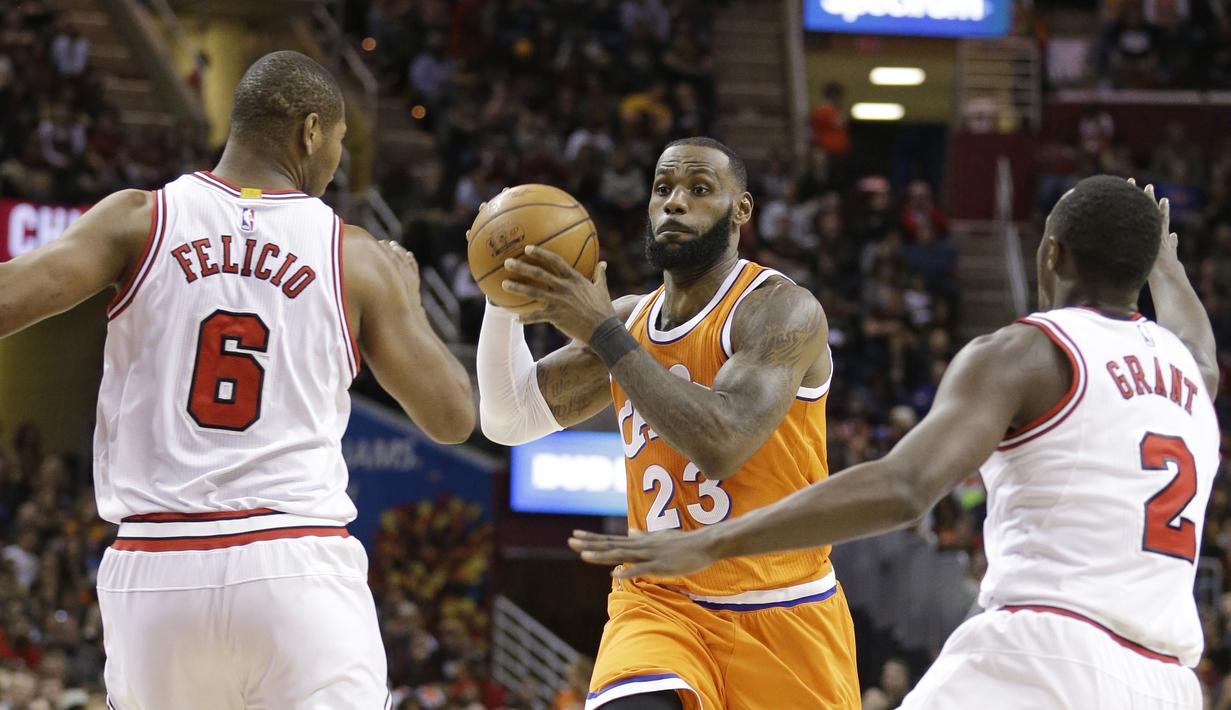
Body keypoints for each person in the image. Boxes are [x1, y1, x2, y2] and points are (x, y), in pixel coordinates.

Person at [571, 176, 1218, 709]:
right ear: (1142, 268)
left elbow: (904, 489)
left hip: (1044, 657)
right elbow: (1197, 339)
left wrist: (712, 540)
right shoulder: (1188, 372)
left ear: (1051, 254)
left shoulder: (1023, 353)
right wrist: (1163, 263)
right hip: (1167, 681)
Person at [0, 50, 474, 708]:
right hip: (294, 566)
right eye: (337, 142)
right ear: (311, 132)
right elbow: (453, 417)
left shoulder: (139, 219)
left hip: (155, 571)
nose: (335, 161)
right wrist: (411, 303)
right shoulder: (354, 255)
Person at [477, 137, 860, 709]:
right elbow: (511, 417)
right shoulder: (629, 320)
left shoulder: (780, 310)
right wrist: (500, 294)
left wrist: (604, 335)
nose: (675, 203)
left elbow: (723, 443)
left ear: (741, 210)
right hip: (659, 605)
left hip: (785, 608)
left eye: (699, 189)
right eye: (663, 189)